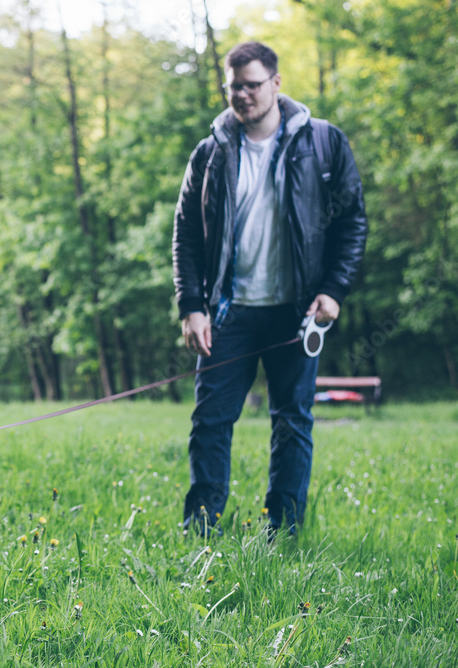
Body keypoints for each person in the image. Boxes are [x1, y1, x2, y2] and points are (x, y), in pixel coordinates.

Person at [172, 42, 367, 537]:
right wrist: (191, 305)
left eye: (252, 84)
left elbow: (351, 223)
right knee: (211, 421)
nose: (242, 95)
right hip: (228, 313)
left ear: (276, 84)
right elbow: (187, 235)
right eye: (233, 85)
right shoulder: (210, 152)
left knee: (292, 422)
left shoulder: (322, 143)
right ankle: (202, 530)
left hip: (297, 312)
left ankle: (283, 531)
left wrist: (334, 291)